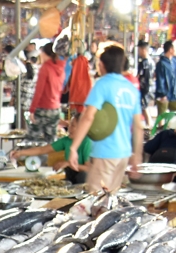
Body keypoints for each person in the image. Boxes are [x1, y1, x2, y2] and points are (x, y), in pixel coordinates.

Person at [68, 46, 143, 193]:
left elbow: (88, 117)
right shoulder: (131, 89)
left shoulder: (102, 85)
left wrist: (73, 147)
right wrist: (137, 156)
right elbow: (139, 126)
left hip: (105, 153)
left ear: (101, 65)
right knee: (110, 199)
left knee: (97, 201)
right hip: (123, 154)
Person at [11, 113, 92, 184]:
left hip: (85, 180)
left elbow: (88, 168)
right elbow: (42, 150)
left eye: (73, 126)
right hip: (71, 177)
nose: (69, 128)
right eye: (69, 125)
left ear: (82, 128)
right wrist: (21, 153)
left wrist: (68, 164)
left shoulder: (87, 142)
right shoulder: (66, 140)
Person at [27, 43, 65, 144]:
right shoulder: (61, 68)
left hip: (43, 108)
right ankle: (50, 159)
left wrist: (32, 110)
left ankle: (28, 158)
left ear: (45, 53)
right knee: (51, 142)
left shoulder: (45, 68)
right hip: (56, 109)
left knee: (31, 139)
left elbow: (39, 91)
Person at [156, 41, 176, 116]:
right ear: (170, 49)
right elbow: (160, 80)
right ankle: (161, 127)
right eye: (174, 48)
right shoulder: (161, 63)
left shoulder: (174, 61)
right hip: (165, 94)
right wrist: (162, 94)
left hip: (174, 94)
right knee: (162, 116)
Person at [137, 41, 153, 124]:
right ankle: (149, 125)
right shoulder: (150, 61)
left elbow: (141, 76)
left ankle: (149, 126)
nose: (138, 52)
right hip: (148, 87)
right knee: (144, 108)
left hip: (144, 88)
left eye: (139, 49)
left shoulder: (144, 63)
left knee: (144, 108)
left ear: (143, 49)